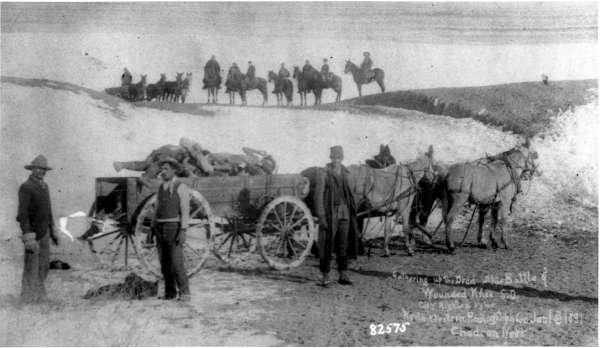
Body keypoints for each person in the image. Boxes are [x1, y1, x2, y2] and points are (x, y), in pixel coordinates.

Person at [314, 146, 359, 287]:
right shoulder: (324, 173)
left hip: (344, 211)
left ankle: (343, 274)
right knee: (327, 243)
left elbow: (351, 193)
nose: (336, 160)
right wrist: (321, 215)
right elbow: (318, 196)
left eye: (338, 157)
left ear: (342, 158)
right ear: (330, 158)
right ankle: (325, 275)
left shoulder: (346, 173)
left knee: (343, 243)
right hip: (330, 212)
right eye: (333, 157)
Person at [17, 155, 60, 303]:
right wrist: (28, 235)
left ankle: (40, 296)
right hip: (33, 234)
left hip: (45, 232)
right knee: (31, 267)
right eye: (38, 168)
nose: (41, 171)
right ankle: (27, 298)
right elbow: (22, 214)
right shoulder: (26, 187)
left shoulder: (44, 186)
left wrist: (53, 229)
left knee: (43, 267)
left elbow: (48, 211)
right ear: (32, 169)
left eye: (44, 169)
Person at [151, 157, 191, 301]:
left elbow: (185, 210)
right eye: (162, 169)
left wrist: (183, 230)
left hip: (173, 228)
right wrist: (152, 227)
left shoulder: (181, 187)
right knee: (164, 264)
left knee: (176, 263)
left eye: (166, 169)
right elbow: (156, 209)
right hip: (160, 228)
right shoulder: (161, 188)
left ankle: (185, 293)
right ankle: (170, 293)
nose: (163, 171)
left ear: (174, 170)